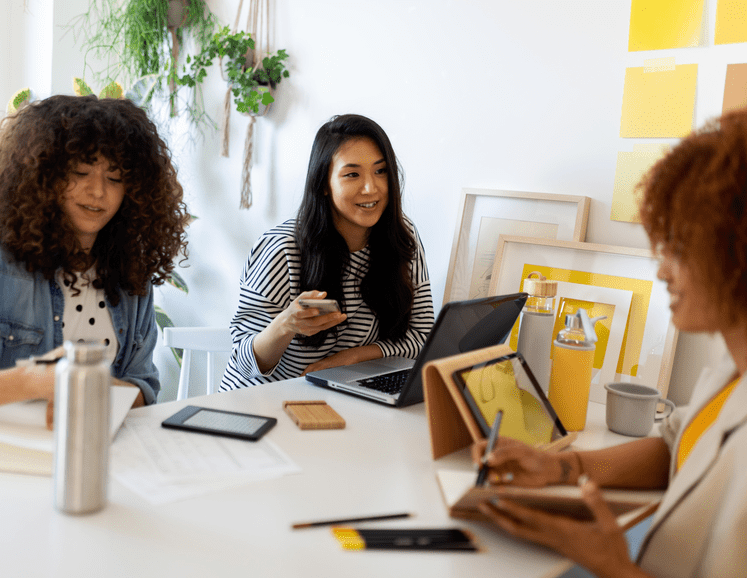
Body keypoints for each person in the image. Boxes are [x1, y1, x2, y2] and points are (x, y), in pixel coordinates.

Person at [472, 109, 747, 578]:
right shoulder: (732, 360)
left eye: (679, 249)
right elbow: (676, 443)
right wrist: (558, 468)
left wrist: (612, 566)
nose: (662, 271)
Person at [0, 94, 188, 429]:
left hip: (99, 461)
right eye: (80, 171)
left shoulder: (131, 276)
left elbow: (143, 388)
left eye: (114, 178)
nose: (98, 191)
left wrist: (88, 387)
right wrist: (31, 382)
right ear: (44, 176)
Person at [221, 114, 435, 390]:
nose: (371, 188)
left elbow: (421, 337)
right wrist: (285, 324)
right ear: (324, 183)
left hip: (336, 398)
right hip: (260, 401)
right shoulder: (281, 248)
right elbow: (244, 361)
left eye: (380, 171)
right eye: (352, 174)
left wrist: (353, 357)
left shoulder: (402, 236)